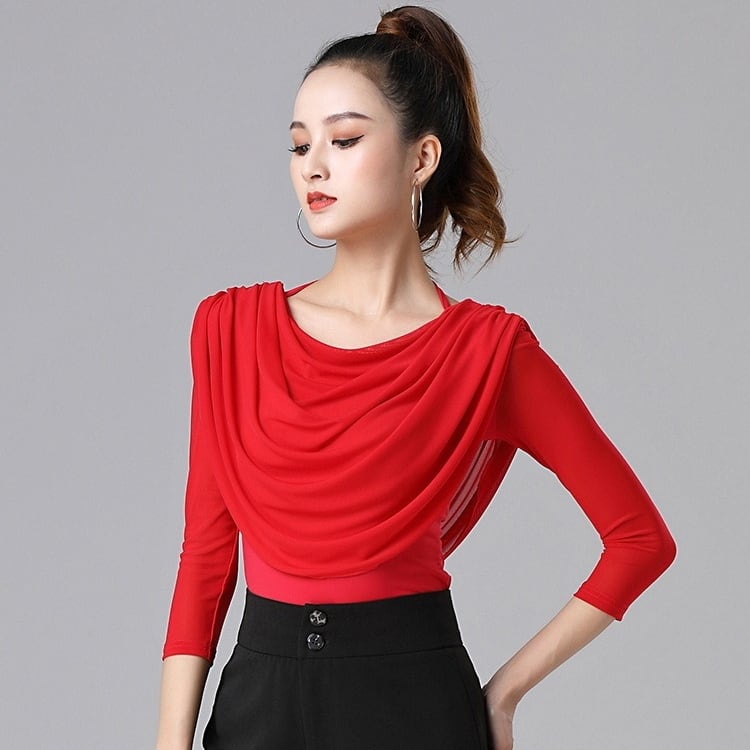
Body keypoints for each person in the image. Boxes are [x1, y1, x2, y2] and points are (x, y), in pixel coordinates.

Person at [154, 6, 676, 750]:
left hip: (413, 699)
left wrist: (503, 694)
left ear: (422, 157)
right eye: (300, 144)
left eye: (344, 139)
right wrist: (169, 742)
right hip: (257, 701)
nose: (313, 166)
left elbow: (639, 539)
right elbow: (207, 554)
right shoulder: (230, 331)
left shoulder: (487, 352)